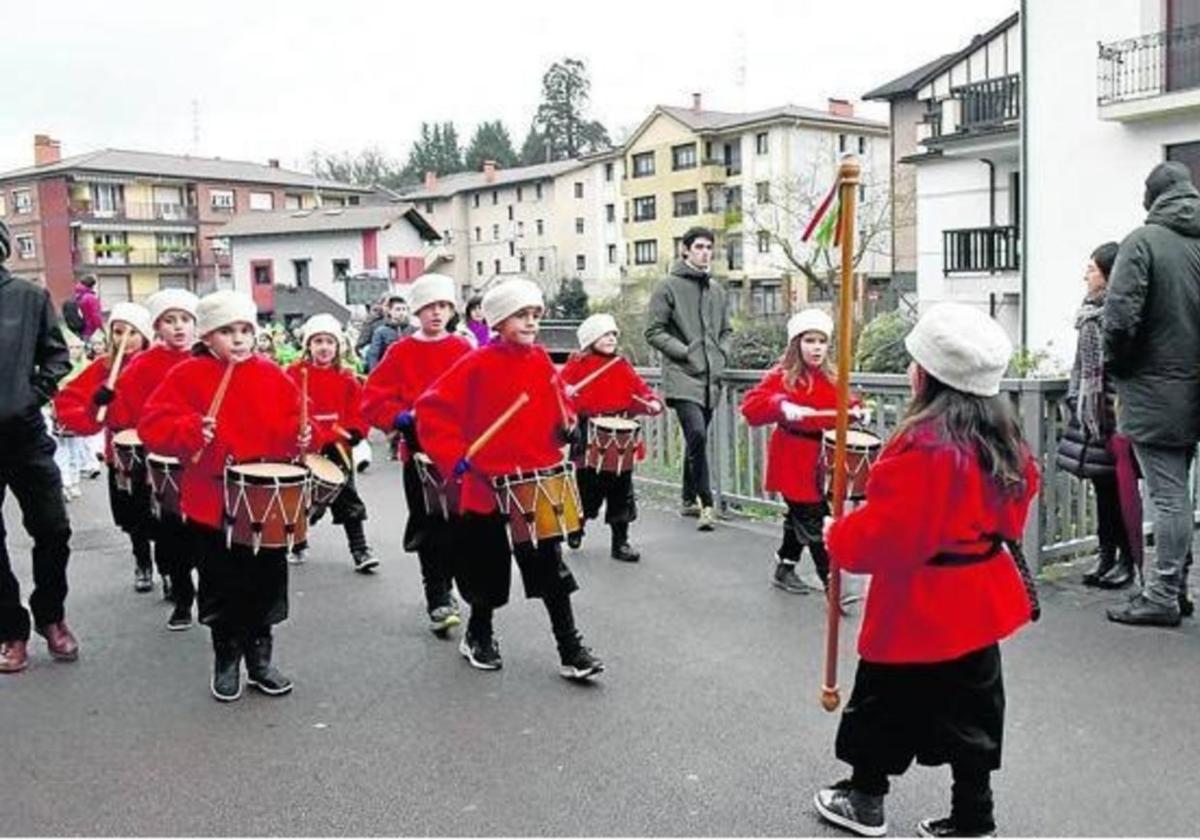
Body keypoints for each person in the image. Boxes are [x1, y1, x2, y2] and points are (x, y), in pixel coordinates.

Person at [814, 303, 1039, 839]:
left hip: (918, 606)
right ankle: (973, 817)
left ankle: (866, 800)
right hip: (979, 602)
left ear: (925, 376)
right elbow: (1009, 514)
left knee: (882, 705)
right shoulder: (1006, 442)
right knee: (974, 715)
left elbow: (888, 537)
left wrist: (837, 536)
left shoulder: (923, 449)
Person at [416, 278, 603, 680]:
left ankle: (570, 647)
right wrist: (454, 458)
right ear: (498, 321)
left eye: (536, 314)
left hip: (534, 480)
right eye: (522, 314)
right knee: (487, 569)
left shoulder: (539, 362)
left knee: (550, 568)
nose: (532, 322)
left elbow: (560, 409)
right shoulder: (475, 363)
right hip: (485, 483)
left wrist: (567, 427)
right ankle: (478, 633)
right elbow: (431, 410)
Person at [139, 290, 310, 702]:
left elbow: (294, 423)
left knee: (266, 582)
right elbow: (153, 425)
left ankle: (261, 658)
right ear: (208, 337)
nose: (238, 339)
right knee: (220, 582)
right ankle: (226, 657)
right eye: (227, 331)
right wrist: (191, 429)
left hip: (262, 500)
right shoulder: (186, 375)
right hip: (211, 500)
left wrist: (305, 434)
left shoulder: (272, 374)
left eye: (245, 330)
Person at [1103, 161, 1200, 627]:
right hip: (1193, 386)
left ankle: (1161, 593)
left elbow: (1119, 317)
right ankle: (1176, 587)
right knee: (1180, 493)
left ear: (1154, 196)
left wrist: (1119, 368)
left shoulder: (1143, 243)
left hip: (1156, 387)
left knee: (1167, 495)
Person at [362, 273, 472, 633]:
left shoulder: (463, 349)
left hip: (459, 452)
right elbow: (373, 397)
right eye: (429, 307)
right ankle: (437, 596)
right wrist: (397, 417)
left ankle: (454, 587)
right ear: (417, 312)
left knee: (460, 525)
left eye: (443, 306)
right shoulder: (401, 351)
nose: (437, 313)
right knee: (429, 526)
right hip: (420, 454)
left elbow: (481, 395)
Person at [741, 309, 866, 595]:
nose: (817, 347)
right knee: (815, 518)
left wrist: (857, 411)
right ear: (797, 343)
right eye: (810, 340)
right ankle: (833, 583)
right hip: (792, 458)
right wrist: (780, 405)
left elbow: (848, 404)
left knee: (800, 516)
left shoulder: (832, 377)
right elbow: (751, 407)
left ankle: (785, 568)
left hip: (823, 461)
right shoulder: (781, 376)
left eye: (822, 341)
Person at [0, 219, 75, 674]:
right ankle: (10, 630)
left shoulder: (28, 297)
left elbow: (56, 355)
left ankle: (52, 615)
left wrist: (31, 397)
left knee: (53, 530)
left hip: (24, 433)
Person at [108, 289, 201, 628]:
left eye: (185, 320)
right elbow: (123, 415)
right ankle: (181, 594)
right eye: (169, 321)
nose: (178, 328)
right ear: (157, 328)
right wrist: (105, 398)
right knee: (170, 533)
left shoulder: (209, 359)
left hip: (203, 462)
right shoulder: (143, 365)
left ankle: (209, 597)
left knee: (208, 533)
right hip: (161, 463)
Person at [54, 303, 155, 593]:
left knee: (162, 516)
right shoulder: (103, 367)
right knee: (134, 517)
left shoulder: (156, 363)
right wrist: (97, 401)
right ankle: (142, 563)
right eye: (119, 331)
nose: (125, 338)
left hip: (157, 449)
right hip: (121, 449)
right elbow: (70, 403)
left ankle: (172, 570)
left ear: (145, 335)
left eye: (133, 332)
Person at [1056, 243, 1140, 590]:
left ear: (1108, 274)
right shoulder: (1089, 313)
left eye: (1091, 268)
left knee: (1120, 489)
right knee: (1102, 489)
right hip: (1091, 415)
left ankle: (1125, 560)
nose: (1085, 274)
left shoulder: (1117, 313)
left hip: (1112, 413)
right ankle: (1107, 554)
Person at [645, 226, 732, 531]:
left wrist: (721, 354)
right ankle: (706, 503)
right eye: (699, 246)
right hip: (682, 374)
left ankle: (685, 497)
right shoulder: (667, 286)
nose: (705, 252)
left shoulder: (717, 290)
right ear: (685, 250)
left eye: (709, 247)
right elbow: (654, 331)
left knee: (696, 438)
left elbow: (726, 330)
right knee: (696, 434)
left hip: (710, 378)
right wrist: (685, 352)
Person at [561, 313, 662, 562]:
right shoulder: (576, 365)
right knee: (587, 489)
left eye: (613, 334)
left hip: (621, 432)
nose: (610, 338)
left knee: (622, 491)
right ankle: (577, 524)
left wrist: (651, 402)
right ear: (590, 338)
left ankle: (621, 542)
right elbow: (558, 395)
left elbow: (639, 391)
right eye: (605, 334)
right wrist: (566, 394)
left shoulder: (621, 365)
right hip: (589, 433)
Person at [286, 314, 377, 573]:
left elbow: (358, 410)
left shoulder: (347, 378)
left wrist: (356, 430)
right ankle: (298, 542)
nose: (324, 347)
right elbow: (285, 407)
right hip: (306, 447)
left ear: (338, 347)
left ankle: (360, 550)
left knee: (347, 497)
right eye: (318, 341)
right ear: (308, 345)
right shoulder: (294, 374)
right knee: (302, 498)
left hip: (337, 448)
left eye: (329, 342)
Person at [365, 294, 413, 371]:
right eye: (398, 309)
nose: (401, 312)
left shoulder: (413, 330)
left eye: (404, 309)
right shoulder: (381, 331)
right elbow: (374, 355)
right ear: (390, 311)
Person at [72, 274, 103, 340]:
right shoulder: (90, 298)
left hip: (82, 329)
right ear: (92, 285)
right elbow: (95, 315)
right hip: (90, 330)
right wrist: (102, 328)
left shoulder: (78, 296)